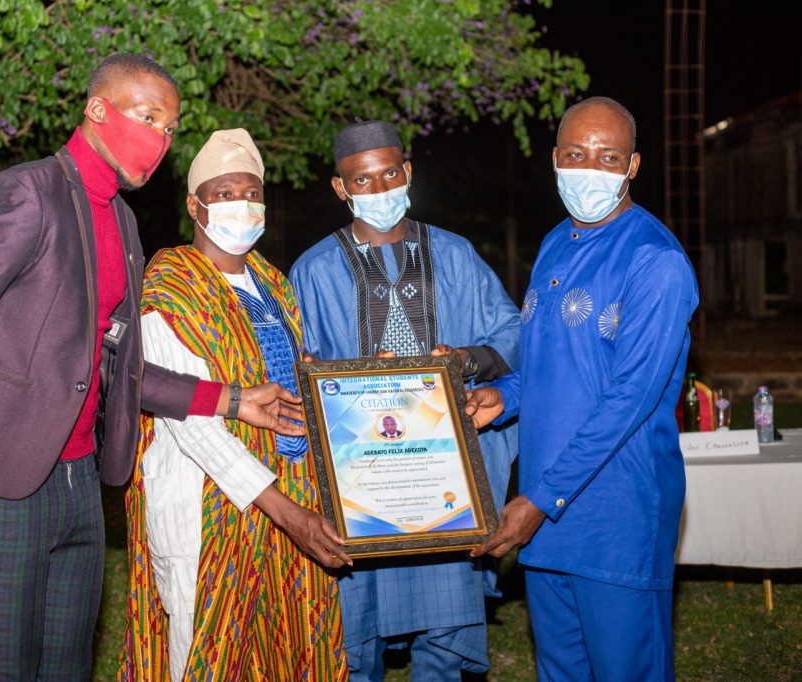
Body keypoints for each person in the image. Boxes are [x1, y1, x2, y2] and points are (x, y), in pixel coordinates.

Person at [0, 54, 304, 680]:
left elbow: (118, 362)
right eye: (149, 117)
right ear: (97, 111)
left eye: (170, 128)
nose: (161, 139)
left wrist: (231, 399)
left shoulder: (121, 219)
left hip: (80, 481)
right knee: (5, 668)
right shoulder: (29, 192)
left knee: (67, 666)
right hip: (4, 484)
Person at [466, 96, 699, 681]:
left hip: (615, 515)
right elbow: (552, 365)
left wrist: (538, 502)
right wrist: (507, 398)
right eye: (576, 154)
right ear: (554, 159)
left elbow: (629, 399)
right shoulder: (554, 244)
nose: (590, 169)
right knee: (561, 669)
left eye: (608, 156)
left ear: (633, 166)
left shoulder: (655, 262)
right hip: (548, 513)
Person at [290, 120, 520, 681]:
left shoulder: (457, 254)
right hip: (361, 486)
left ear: (408, 172)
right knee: (354, 638)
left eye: (389, 173)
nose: (378, 188)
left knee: (445, 638)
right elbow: (295, 368)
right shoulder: (313, 270)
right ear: (340, 188)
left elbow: (515, 335)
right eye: (361, 180)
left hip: (444, 485)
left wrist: (466, 359)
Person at [120, 128, 349, 681]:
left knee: (289, 647)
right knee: (207, 652)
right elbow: (188, 422)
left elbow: (295, 382)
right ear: (194, 204)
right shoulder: (168, 283)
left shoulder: (272, 283)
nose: (240, 205)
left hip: (291, 486)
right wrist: (287, 513)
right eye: (224, 193)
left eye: (251, 193)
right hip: (209, 503)